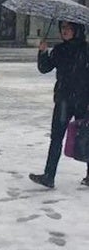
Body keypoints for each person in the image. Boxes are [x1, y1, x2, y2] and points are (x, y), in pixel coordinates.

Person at [29, 21, 89, 189]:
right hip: (64, 100)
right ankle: (49, 175)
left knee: (86, 136)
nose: (65, 31)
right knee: (56, 137)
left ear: (77, 30)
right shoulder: (59, 50)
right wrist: (42, 52)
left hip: (83, 100)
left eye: (68, 28)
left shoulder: (86, 50)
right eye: (63, 28)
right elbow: (44, 68)